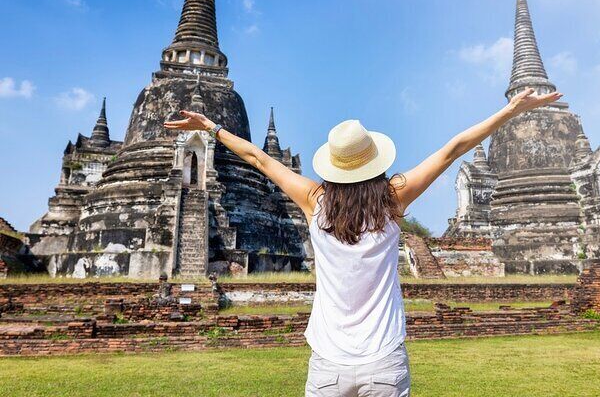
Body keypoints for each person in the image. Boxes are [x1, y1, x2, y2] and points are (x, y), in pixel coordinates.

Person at [164, 87, 561, 396]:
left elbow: (258, 159)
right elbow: (450, 151)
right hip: (384, 361)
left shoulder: (314, 200)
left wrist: (211, 127)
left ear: (332, 167)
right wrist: (511, 112)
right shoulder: (392, 199)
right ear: (374, 161)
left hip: (329, 364)